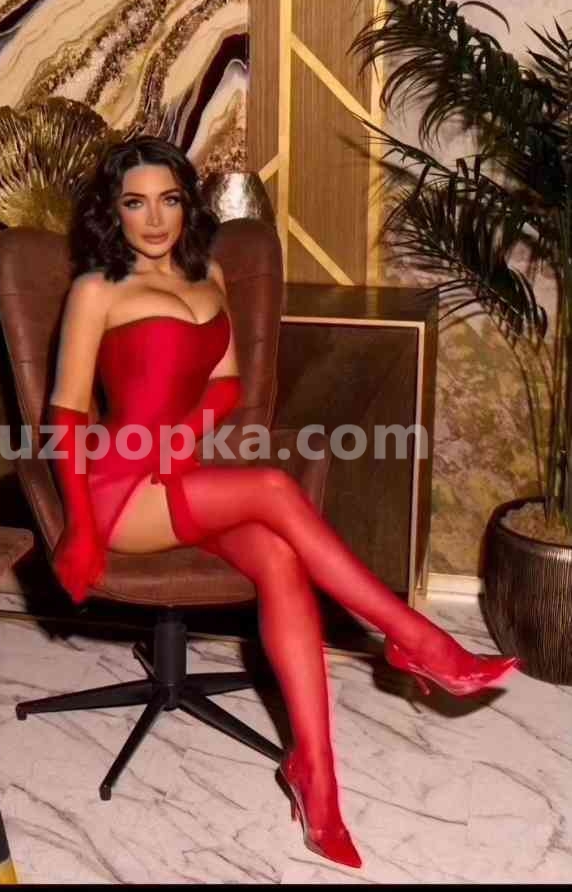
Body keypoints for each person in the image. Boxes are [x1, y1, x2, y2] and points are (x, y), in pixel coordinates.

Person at [45, 135, 519, 870]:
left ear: (188, 204)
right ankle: (416, 640)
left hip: (184, 474)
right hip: (120, 489)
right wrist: (80, 527)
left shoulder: (208, 273)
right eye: (136, 203)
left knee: (278, 559)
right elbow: (66, 416)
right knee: (271, 487)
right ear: (114, 211)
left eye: (169, 200)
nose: (155, 219)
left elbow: (226, 384)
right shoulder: (97, 290)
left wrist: (184, 438)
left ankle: (315, 779)